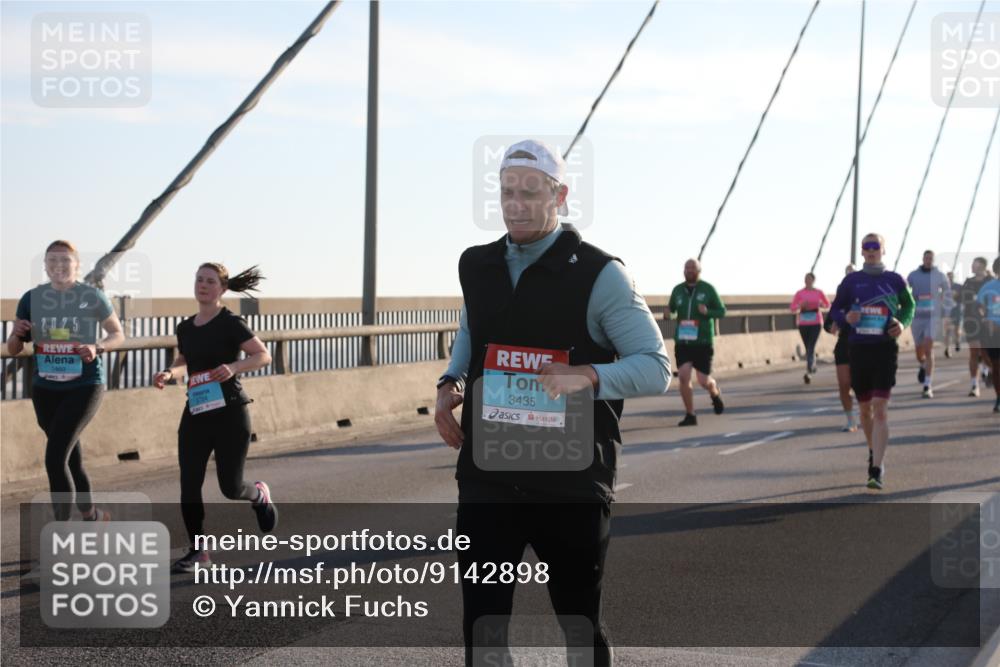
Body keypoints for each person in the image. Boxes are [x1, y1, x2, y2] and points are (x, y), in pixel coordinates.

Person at [434, 139, 670, 666]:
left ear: (560, 195)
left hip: (570, 481)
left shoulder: (600, 274)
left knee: (578, 626)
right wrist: (450, 383)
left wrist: (585, 375)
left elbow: (657, 368)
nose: (515, 204)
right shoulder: (477, 265)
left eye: (530, 192)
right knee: (483, 629)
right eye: (506, 192)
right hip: (488, 474)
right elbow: (474, 329)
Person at [153, 263, 276, 573]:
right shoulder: (185, 327)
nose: (203, 285)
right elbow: (185, 361)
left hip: (231, 413)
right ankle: (199, 552)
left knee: (230, 487)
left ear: (222, 289)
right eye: (199, 280)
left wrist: (234, 368)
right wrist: (170, 372)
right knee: (188, 484)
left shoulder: (231, 323)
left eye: (210, 281)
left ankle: (258, 495)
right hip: (196, 411)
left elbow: (262, 355)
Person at [6, 240, 125, 521]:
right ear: (45, 266)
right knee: (70, 457)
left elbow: (117, 333)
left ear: (77, 265)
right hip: (45, 389)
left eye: (65, 261)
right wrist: (15, 333)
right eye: (52, 261)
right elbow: (14, 348)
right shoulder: (31, 299)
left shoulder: (92, 296)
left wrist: (98, 347)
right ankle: (92, 515)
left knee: (54, 457)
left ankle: (60, 534)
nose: (58, 266)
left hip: (85, 385)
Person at [830, 234, 914, 490]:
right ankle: (872, 450)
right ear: (862, 252)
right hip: (859, 349)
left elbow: (909, 306)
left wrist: (901, 322)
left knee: (880, 407)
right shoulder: (851, 281)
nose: (870, 250)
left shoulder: (895, 280)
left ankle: (877, 468)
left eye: (875, 245)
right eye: (866, 246)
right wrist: (847, 318)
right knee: (864, 409)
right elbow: (834, 310)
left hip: (885, 348)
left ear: (883, 250)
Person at [668, 259, 726, 426]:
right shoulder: (677, 290)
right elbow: (672, 311)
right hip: (683, 342)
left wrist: (707, 312)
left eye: (693, 268)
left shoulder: (707, 289)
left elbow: (722, 311)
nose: (689, 271)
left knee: (703, 380)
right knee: (684, 377)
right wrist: (668, 315)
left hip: (702, 341)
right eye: (686, 268)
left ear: (699, 270)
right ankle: (690, 414)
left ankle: (714, 393)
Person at [906, 250, 951, 398]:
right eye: (926, 258)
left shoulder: (940, 276)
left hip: (933, 317)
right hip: (917, 317)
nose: (928, 260)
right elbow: (905, 291)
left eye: (931, 258)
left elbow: (947, 293)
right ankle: (923, 364)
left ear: (934, 260)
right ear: (923, 259)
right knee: (919, 351)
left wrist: (946, 311)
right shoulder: (913, 275)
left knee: (928, 345)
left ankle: (927, 385)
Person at [824, 264, 857, 431]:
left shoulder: (866, 298)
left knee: (860, 385)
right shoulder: (840, 300)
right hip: (844, 343)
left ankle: (867, 413)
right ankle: (851, 420)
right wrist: (832, 327)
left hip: (863, 344)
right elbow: (828, 322)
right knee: (844, 384)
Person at [789, 272, 831, 384]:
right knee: (808, 346)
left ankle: (809, 370)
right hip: (803, 323)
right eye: (805, 278)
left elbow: (828, 305)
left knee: (811, 346)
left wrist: (821, 304)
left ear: (813, 280)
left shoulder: (819, 292)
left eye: (809, 279)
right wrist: (800, 306)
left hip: (816, 322)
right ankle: (812, 365)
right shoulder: (800, 293)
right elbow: (792, 308)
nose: (807, 280)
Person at [961, 258, 993, 397]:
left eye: (975, 264)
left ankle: (990, 370)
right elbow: (960, 298)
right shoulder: (968, 282)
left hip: (988, 322)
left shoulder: (991, 281)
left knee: (986, 353)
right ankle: (975, 385)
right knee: (974, 352)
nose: (972, 266)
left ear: (982, 266)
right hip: (970, 321)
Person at [975, 257, 1000, 413]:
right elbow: (979, 306)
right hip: (993, 330)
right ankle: (999, 397)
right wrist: (985, 318)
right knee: (997, 367)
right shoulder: (989, 287)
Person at [943, 271, 961, 358]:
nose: (949, 278)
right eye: (948, 277)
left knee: (956, 330)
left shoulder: (958, 286)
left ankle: (957, 341)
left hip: (956, 310)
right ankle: (947, 348)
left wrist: (955, 294)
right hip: (947, 312)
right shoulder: (943, 287)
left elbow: (961, 296)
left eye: (951, 276)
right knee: (947, 331)